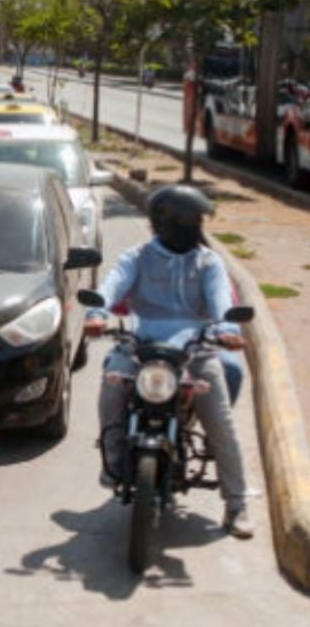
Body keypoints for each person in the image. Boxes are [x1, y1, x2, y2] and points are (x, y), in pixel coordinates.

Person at [84, 184, 254, 539]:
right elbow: (113, 285)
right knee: (112, 380)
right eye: (191, 220)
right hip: (141, 345)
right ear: (166, 222)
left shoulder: (208, 262)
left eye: (198, 220)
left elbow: (221, 301)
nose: (196, 227)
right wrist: (97, 314)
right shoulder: (137, 256)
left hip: (196, 349)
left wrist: (226, 329)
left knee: (220, 421)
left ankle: (237, 504)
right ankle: (113, 463)